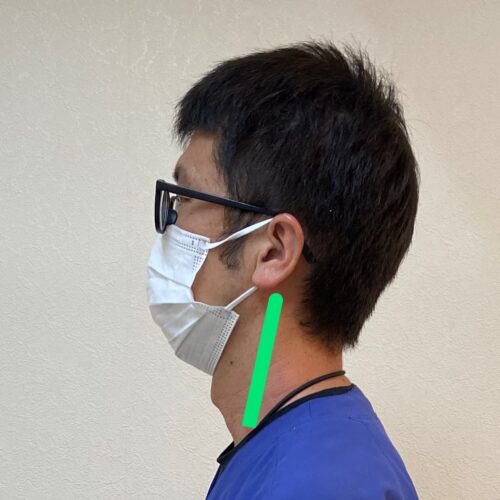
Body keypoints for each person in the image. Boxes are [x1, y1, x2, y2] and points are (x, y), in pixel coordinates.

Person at [146, 39, 420, 499]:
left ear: (273, 251)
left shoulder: (312, 483)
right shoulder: (293, 445)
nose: (170, 224)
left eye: (186, 199)